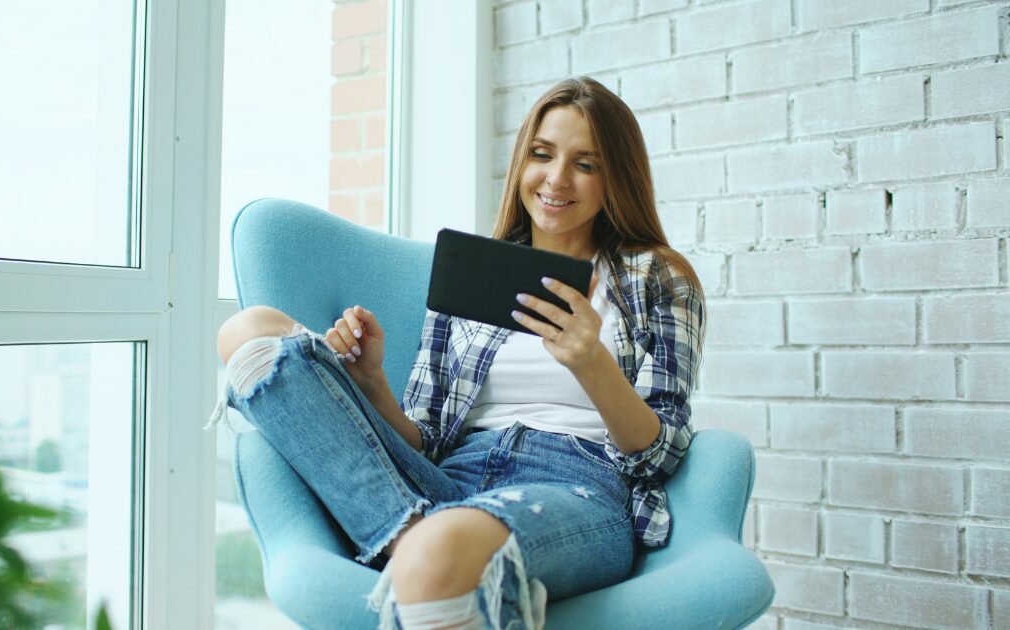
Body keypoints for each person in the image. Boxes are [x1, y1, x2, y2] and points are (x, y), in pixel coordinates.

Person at [208, 76, 705, 630]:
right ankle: (412, 540)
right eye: (542, 155)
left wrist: (591, 361)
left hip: (578, 487)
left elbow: (660, 454)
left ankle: (419, 550)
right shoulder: (473, 275)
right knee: (251, 330)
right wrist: (371, 380)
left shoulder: (655, 279)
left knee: (439, 546)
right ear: (522, 162)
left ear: (615, 178)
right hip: (446, 480)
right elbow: (429, 441)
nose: (556, 178)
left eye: (585, 164)